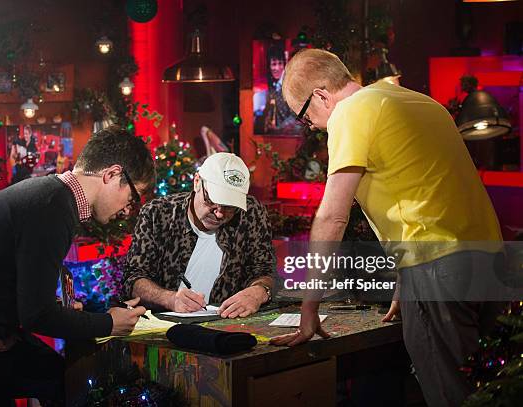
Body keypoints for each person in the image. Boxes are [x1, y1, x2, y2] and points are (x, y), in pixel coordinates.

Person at [269, 49, 504, 407]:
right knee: (493, 390)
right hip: (492, 260)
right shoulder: (418, 101)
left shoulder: (350, 113)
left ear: (320, 95)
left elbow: (332, 217)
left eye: (304, 117)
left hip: (437, 269)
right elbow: (425, 189)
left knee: (454, 396)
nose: (312, 127)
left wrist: (308, 306)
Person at [0, 127, 154, 405]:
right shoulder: (52, 207)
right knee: (57, 380)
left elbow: (13, 281)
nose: (128, 210)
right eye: (134, 198)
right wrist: (109, 323)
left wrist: (67, 309)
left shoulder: (53, 196)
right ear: (111, 175)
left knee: (57, 377)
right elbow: (36, 315)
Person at [123, 153, 275, 318]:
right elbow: (133, 278)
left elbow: (266, 270)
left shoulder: (251, 213)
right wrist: (170, 299)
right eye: (211, 201)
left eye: (229, 207)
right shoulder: (157, 214)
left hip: (228, 324)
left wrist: (258, 292)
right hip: (164, 324)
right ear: (197, 182)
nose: (219, 214)